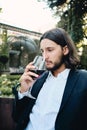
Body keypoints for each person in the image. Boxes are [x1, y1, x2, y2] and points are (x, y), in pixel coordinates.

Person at [12, 28, 87, 130]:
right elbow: (17, 117)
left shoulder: (83, 80)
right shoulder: (37, 80)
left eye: (50, 50)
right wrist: (24, 91)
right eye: (42, 51)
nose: (44, 57)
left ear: (65, 50)